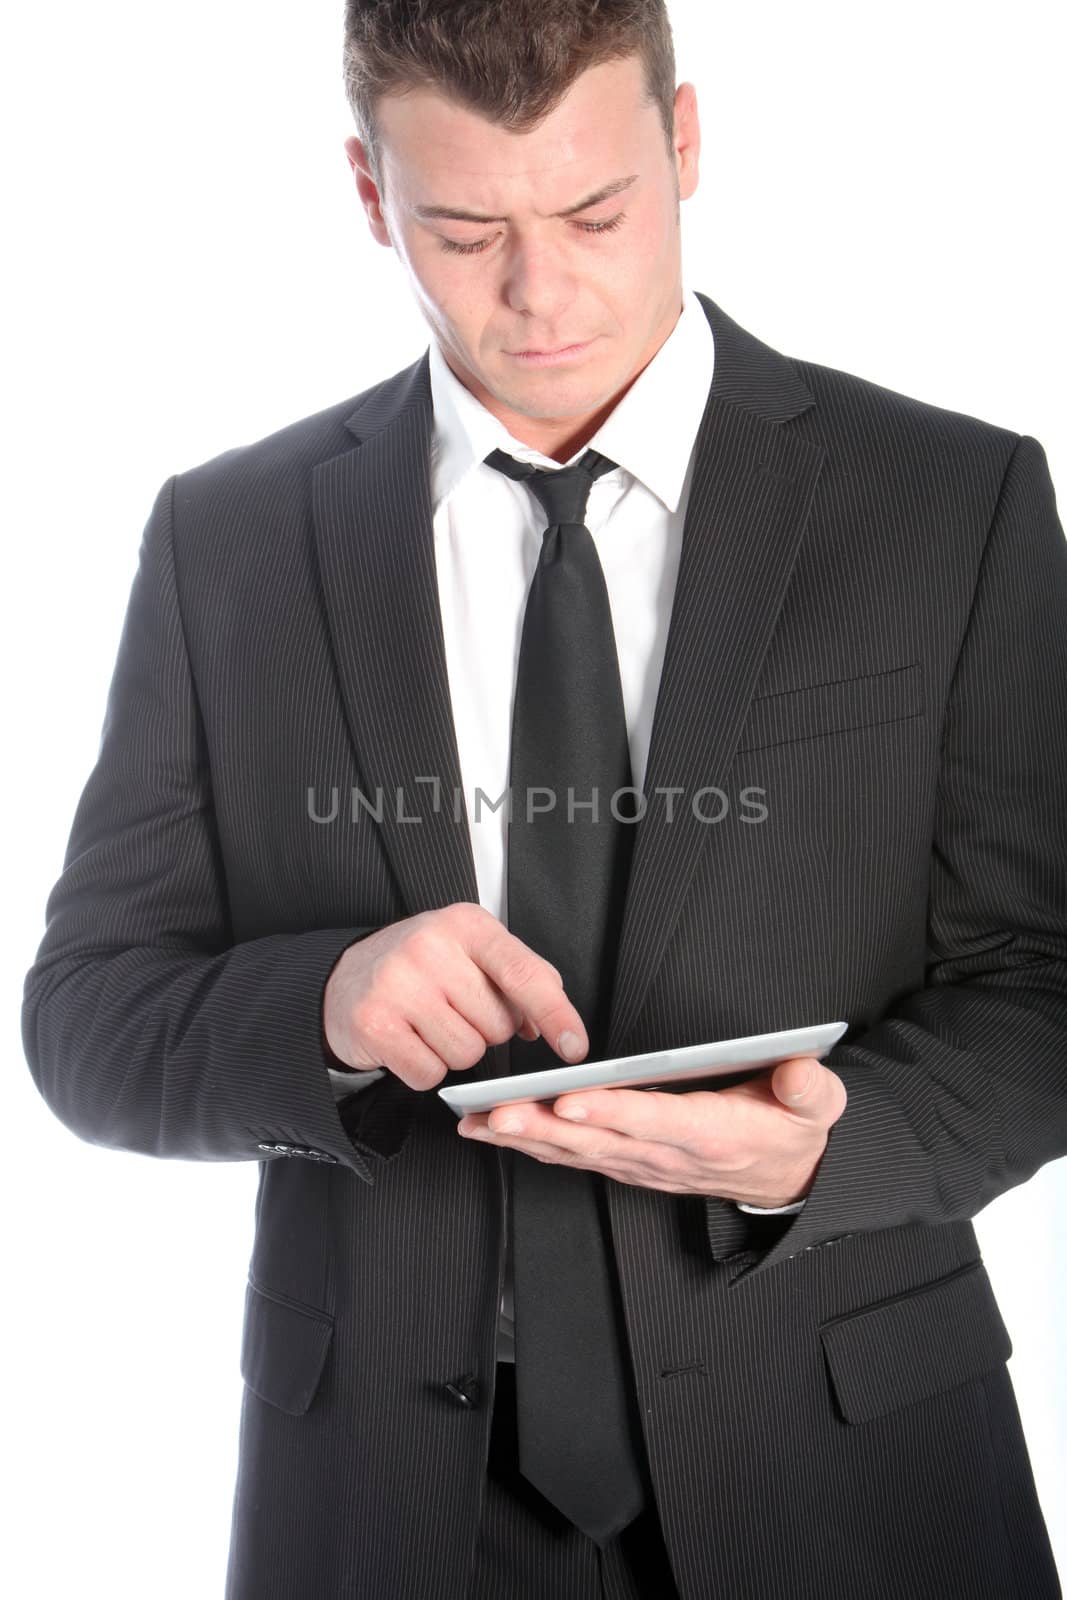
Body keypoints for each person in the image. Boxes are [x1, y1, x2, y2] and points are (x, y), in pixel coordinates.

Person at [21, 2, 1066, 1596]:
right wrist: (327, 1004)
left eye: (594, 211)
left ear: (685, 141)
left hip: (848, 1475)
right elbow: (87, 1023)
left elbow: (1045, 987)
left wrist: (823, 1154)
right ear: (373, 199)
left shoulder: (951, 502)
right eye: (463, 229)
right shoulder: (225, 542)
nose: (542, 289)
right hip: (381, 1498)